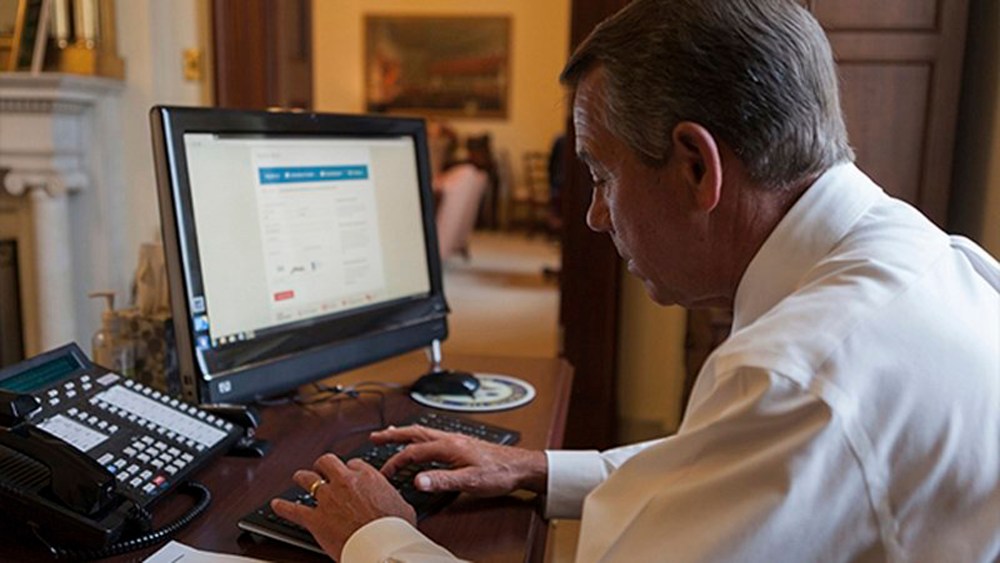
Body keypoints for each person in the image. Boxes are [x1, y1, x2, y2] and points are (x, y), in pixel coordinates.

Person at [272, 0, 1000, 561]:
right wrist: (536, 467)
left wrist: (378, 538)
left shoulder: (795, 375)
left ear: (695, 166)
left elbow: (774, 432)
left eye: (601, 173)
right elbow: (734, 464)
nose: (593, 215)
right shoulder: (918, 249)